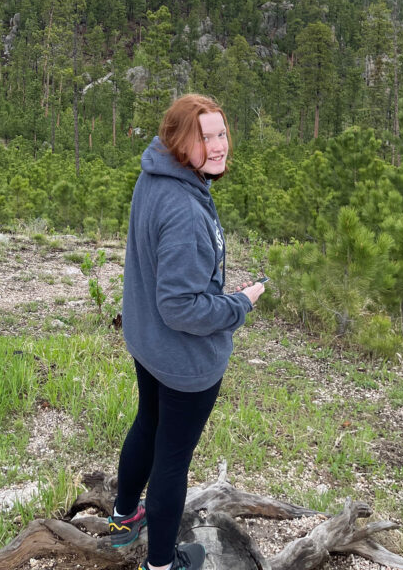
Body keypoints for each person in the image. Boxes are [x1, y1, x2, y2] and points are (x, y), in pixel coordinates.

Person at [108, 93, 265, 570]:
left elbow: (167, 277)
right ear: (180, 142)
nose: (218, 146)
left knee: (147, 424)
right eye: (205, 137)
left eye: (221, 134)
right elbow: (179, 306)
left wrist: (213, 292)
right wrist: (240, 303)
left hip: (147, 341)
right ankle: (160, 565)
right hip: (181, 360)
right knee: (173, 459)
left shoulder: (155, 175)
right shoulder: (185, 211)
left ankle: (122, 519)